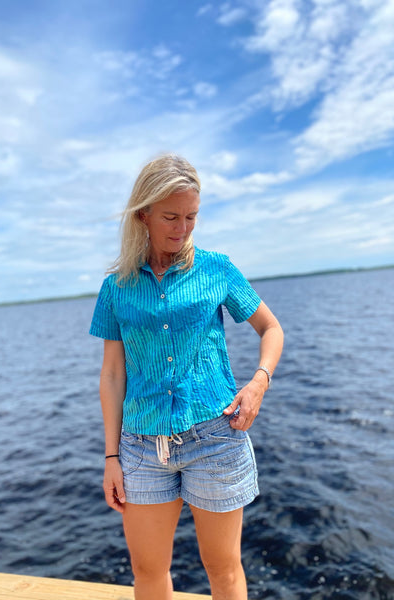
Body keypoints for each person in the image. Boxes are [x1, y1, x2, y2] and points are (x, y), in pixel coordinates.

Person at [89, 154, 283, 600]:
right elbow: (113, 373)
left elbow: (271, 328)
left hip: (215, 438)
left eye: (191, 216)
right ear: (144, 214)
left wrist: (257, 383)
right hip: (139, 448)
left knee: (222, 567)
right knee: (148, 570)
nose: (182, 227)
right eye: (171, 216)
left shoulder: (216, 269)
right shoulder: (116, 286)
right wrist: (110, 457)